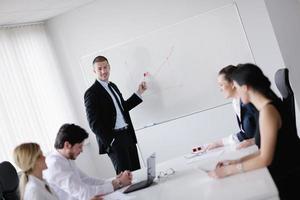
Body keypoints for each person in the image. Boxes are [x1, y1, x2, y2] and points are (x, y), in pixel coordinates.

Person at [208, 63, 300, 199]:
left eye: (237, 88)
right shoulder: (265, 109)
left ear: (245, 88)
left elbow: (265, 159)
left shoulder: (268, 112)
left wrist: (228, 171)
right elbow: (264, 150)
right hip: (285, 171)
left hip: (289, 178)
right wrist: (237, 161)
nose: (237, 93)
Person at [84, 55, 147, 174]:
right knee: (126, 179)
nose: (103, 71)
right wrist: (111, 141)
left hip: (128, 135)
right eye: (100, 69)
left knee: (137, 174)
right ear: (94, 71)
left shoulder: (113, 86)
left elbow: (123, 108)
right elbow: (94, 124)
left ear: (109, 67)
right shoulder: (91, 93)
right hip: (115, 141)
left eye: (105, 67)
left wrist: (139, 92)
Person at [44, 123, 133, 200]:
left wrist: (115, 180)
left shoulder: (65, 158)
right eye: (79, 146)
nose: (82, 150)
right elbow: (84, 193)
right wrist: (118, 183)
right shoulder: (55, 164)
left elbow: (87, 180)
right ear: (67, 145)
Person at [201, 65, 258, 151]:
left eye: (221, 85)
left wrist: (254, 141)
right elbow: (245, 133)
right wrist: (218, 143)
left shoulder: (249, 101)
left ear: (232, 84)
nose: (220, 89)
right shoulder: (236, 102)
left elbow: (272, 128)